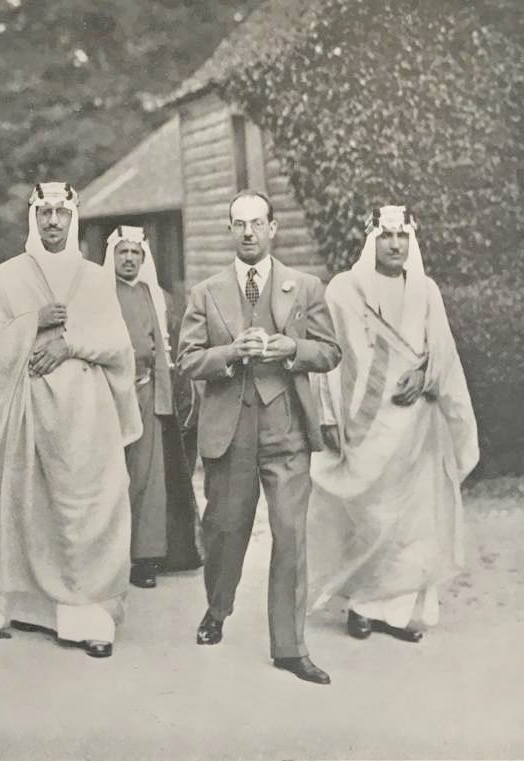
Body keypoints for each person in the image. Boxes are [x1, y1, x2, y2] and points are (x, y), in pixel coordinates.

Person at [0, 182, 141, 659]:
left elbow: (117, 344)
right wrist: (31, 322)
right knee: (29, 508)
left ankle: (91, 616)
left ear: (74, 217)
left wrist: (69, 343)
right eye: (44, 212)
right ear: (32, 216)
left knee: (89, 508)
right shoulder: (8, 276)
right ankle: (27, 608)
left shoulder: (96, 277)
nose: (53, 221)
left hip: (87, 415)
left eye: (61, 213)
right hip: (29, 414)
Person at [178, 189, 341, 684]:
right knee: (225, 532)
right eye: (238, 224)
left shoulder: (305, 286)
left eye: (256, 223)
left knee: (290, 535)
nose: (248, 232)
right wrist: (228, 352)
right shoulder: (205, 292)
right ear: (230, 231)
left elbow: (330, 351)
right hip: (229, 428)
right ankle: (217, 607)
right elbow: (187, 361)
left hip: (286, 424)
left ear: (273, 229)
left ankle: (290, 647)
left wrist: (292, 347)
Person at [307, 205, 478, 642]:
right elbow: (327, 357)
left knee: (412, 523)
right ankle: (361, 605)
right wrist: (326, 415)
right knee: (369, 518)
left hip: (417, 428)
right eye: (386, 236)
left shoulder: (426, 291)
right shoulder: (344, 291)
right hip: (362, 427)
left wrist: (425, 375)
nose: (395, 244)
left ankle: (396, 613)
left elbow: (442, 349)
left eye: (402, 236)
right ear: (371, 241)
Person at [102, 225, 203, 588]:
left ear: (144, 258)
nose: (129, 259)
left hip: (145, 391)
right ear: (111, 256)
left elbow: (163, 349)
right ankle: (108, 554)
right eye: (122, 252)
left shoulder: (152, 295)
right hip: (108, 393)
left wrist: (164, 399)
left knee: (147, 477)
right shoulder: (99, 292)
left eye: (135, 253)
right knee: (110, 474)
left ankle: (144, 558)